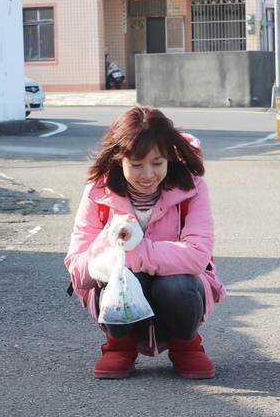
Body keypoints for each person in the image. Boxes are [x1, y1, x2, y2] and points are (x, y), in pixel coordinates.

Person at [64, 106, 226, 379]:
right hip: (121, 304)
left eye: (158, 163)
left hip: (179, 300)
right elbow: (78, 271)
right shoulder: (97, 192)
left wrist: (131, 249)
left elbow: (197, 256)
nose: (148, 174)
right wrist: (111, 236)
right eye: (136, 164)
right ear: (119, 160)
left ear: (170, 159)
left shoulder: (192, 187)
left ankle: (186, 346)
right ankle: (119, 347)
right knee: (122, 274)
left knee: (177, 284)